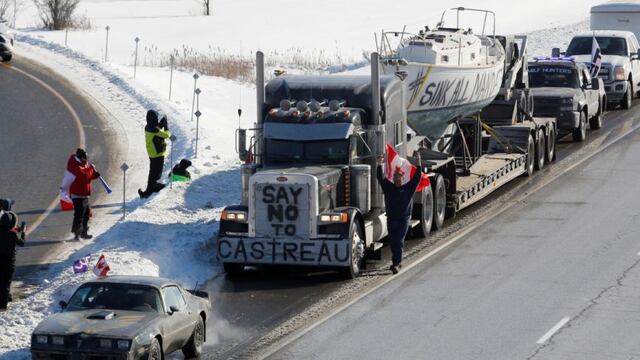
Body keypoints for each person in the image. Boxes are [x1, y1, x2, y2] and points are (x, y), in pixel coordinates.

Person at [376, 151, 422, 275]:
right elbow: (380, 178)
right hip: (391, 219)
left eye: (399, 178)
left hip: (403, 219)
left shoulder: (408, 188)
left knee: (399, 241)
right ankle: (397, 260)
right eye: (395, 177)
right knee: (393, 242)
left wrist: (418, 163)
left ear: (403, 178)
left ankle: (396, 264)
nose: (397, 179)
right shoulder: (389, 187)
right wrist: (379, 164)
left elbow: (417, 178)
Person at [60, 148, 100, 241]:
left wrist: (95, 175)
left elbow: (88, 177)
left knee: (86, 214)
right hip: (77, 194)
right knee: (79, 214)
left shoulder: (84, 164)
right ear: (80, 158)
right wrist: (91, 169)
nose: (86, 160)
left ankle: (84, 233)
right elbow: (83, 175)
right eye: (85, 158)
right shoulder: (74, 165)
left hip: (84, 194)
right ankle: (77, 233)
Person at [139, 110, 171, 198]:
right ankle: (153, 187)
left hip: (152, 152)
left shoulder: (149, 126)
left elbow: (157, 130)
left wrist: (161, 124)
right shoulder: (153, 128)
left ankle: (149, 188)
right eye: (156, 118)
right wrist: (166, 126)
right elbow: (166, 135)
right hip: (157, 153)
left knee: (153, 171)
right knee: (157, 171)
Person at [0, 211, 26, 311]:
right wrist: (23, 232)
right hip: (8, 262)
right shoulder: (12, 234)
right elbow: (22, 243)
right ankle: (3, 305)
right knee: (6, 283)